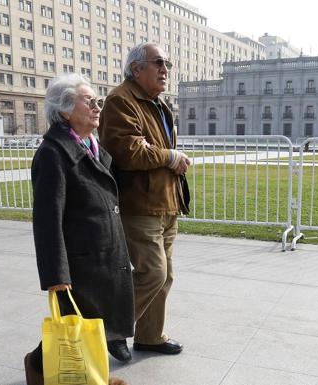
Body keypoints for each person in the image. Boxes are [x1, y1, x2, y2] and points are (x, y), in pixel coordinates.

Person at [24, 73, 133, 385]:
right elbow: (46, 219)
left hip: (102, 253)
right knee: (75, 322)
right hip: (78, 260)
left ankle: (88, 374)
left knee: (90, 321)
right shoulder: (53, 153)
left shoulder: (91, 144)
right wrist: (56, 275)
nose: (98, 107)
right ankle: (39, 365)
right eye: (89, 101)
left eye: (98, 100)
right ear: (64, 110)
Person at [99, 42, 190, 359]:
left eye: (168, 64)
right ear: (136, 68)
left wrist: (171, 161)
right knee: (153, 272)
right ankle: (111, 328)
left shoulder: (156, 103)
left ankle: (151, 336)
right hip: (139, 205)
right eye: (159, 63)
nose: (165, 69)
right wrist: (171, 156)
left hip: (165, 203)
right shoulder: (120, 100)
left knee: (166, 276)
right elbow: (128, 150)